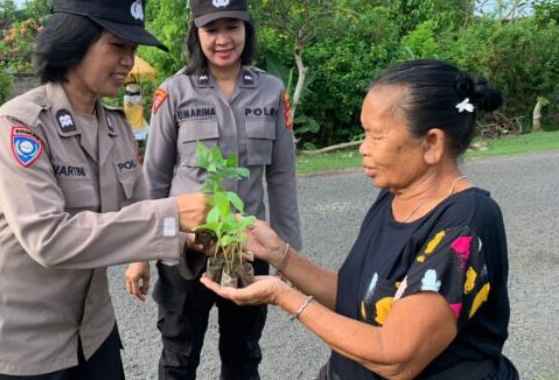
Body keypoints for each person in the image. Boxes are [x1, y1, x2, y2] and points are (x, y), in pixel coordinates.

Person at [201, 59, 519, 380]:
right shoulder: (395, 195)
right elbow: (359, 298)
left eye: (376, 136)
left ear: (432, 143)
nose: (363, 148)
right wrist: (278, 254)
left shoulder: (465, 224)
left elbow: (397, 357)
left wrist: (283, 295)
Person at [0, 0, 211, 378]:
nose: (129, 60)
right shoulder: (20, 126)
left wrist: (200, 240)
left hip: (92, 335)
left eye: (133, 49)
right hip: (20, 343)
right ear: (75, 39)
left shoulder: (116, 128)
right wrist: (173, 213)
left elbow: (137, 213)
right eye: (117, 46)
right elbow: (50, 238)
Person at [124, 0, 302, 379]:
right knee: (179, 356)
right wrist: (140, 252)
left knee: (243, 355)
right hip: (185, 249)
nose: (223, 40)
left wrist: (290, 256)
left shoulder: (272, 92)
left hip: (249, 247)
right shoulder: (173, 92)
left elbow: (282, 178)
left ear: (246, 29)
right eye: (212, 29)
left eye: (232, 27)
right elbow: (153, 178)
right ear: (196, 34)